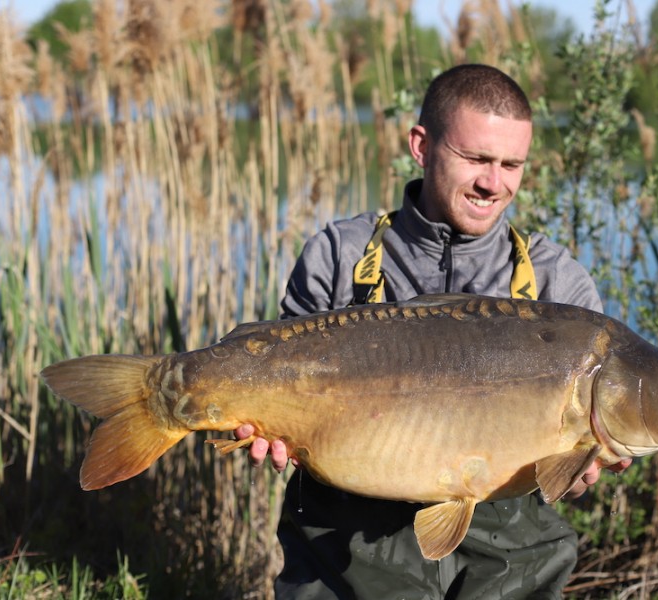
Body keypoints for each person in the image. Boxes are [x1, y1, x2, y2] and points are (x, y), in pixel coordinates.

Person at [235, 63, 631, 599]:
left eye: (512, 164)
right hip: (347, 549)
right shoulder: (341, 254)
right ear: (421, 146)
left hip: (507, 560)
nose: (494, 182)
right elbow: (277, 385)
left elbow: (571, 471)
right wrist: (264, 430)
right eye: (476, 159)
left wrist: (581, 471)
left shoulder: (558, 285)